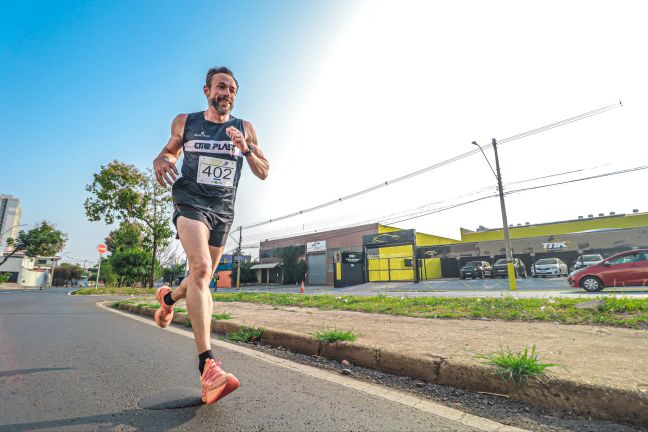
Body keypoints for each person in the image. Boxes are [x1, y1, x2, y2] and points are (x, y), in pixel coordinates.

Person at [152, 67, 269, 404]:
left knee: (200, 277)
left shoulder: (245, 128)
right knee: (201, 269)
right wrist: (162, 159)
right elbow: (169, 152)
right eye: (221, 87)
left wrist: (246, 149)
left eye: (232, 89)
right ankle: (208, 368)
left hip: (223, 210)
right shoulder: (185, 122)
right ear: (206, 91)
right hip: (190, 201)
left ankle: (168, 299)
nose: (227, 93)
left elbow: (264, 171)